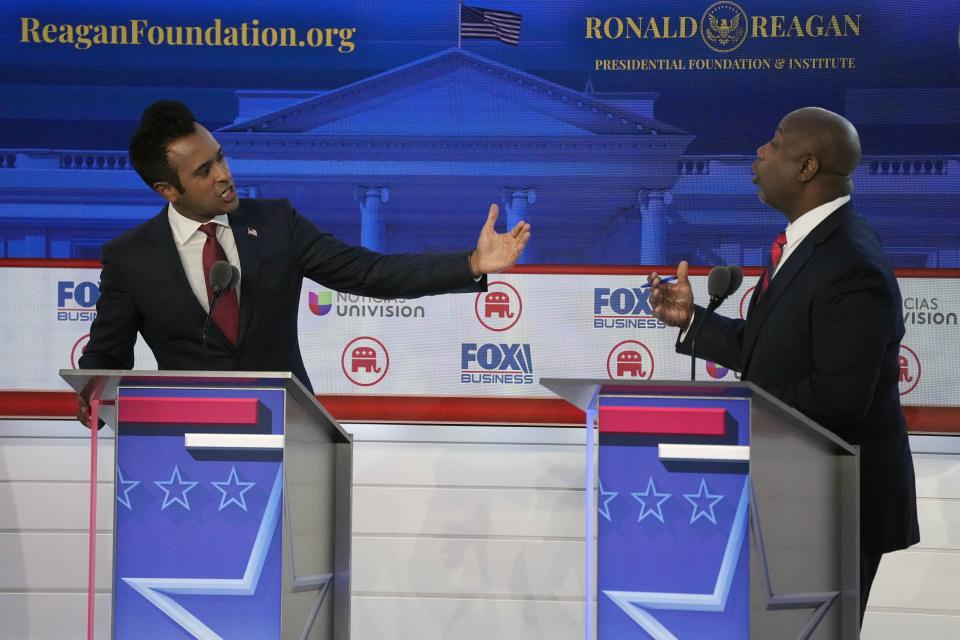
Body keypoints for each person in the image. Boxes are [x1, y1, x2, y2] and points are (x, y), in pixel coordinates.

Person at [77, 100, 530, 419]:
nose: (224, 175)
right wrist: (92, 403)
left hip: (288, 427)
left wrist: (470, 263)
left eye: (220, 158)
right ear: (167, 190)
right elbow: (105, 362)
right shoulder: (130, 257)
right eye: (203, 171)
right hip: (183, 442)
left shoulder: (277, 223)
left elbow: (369, 273)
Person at [647, 107, 919, 623]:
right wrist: (692, 322)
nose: (759, 154)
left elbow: (839, 397)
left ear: (807, 167)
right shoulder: (810, 244)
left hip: (835, 503)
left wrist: (740, 415)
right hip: (799, 492)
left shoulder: (851, 262)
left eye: (773, 143)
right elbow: (767, 350)